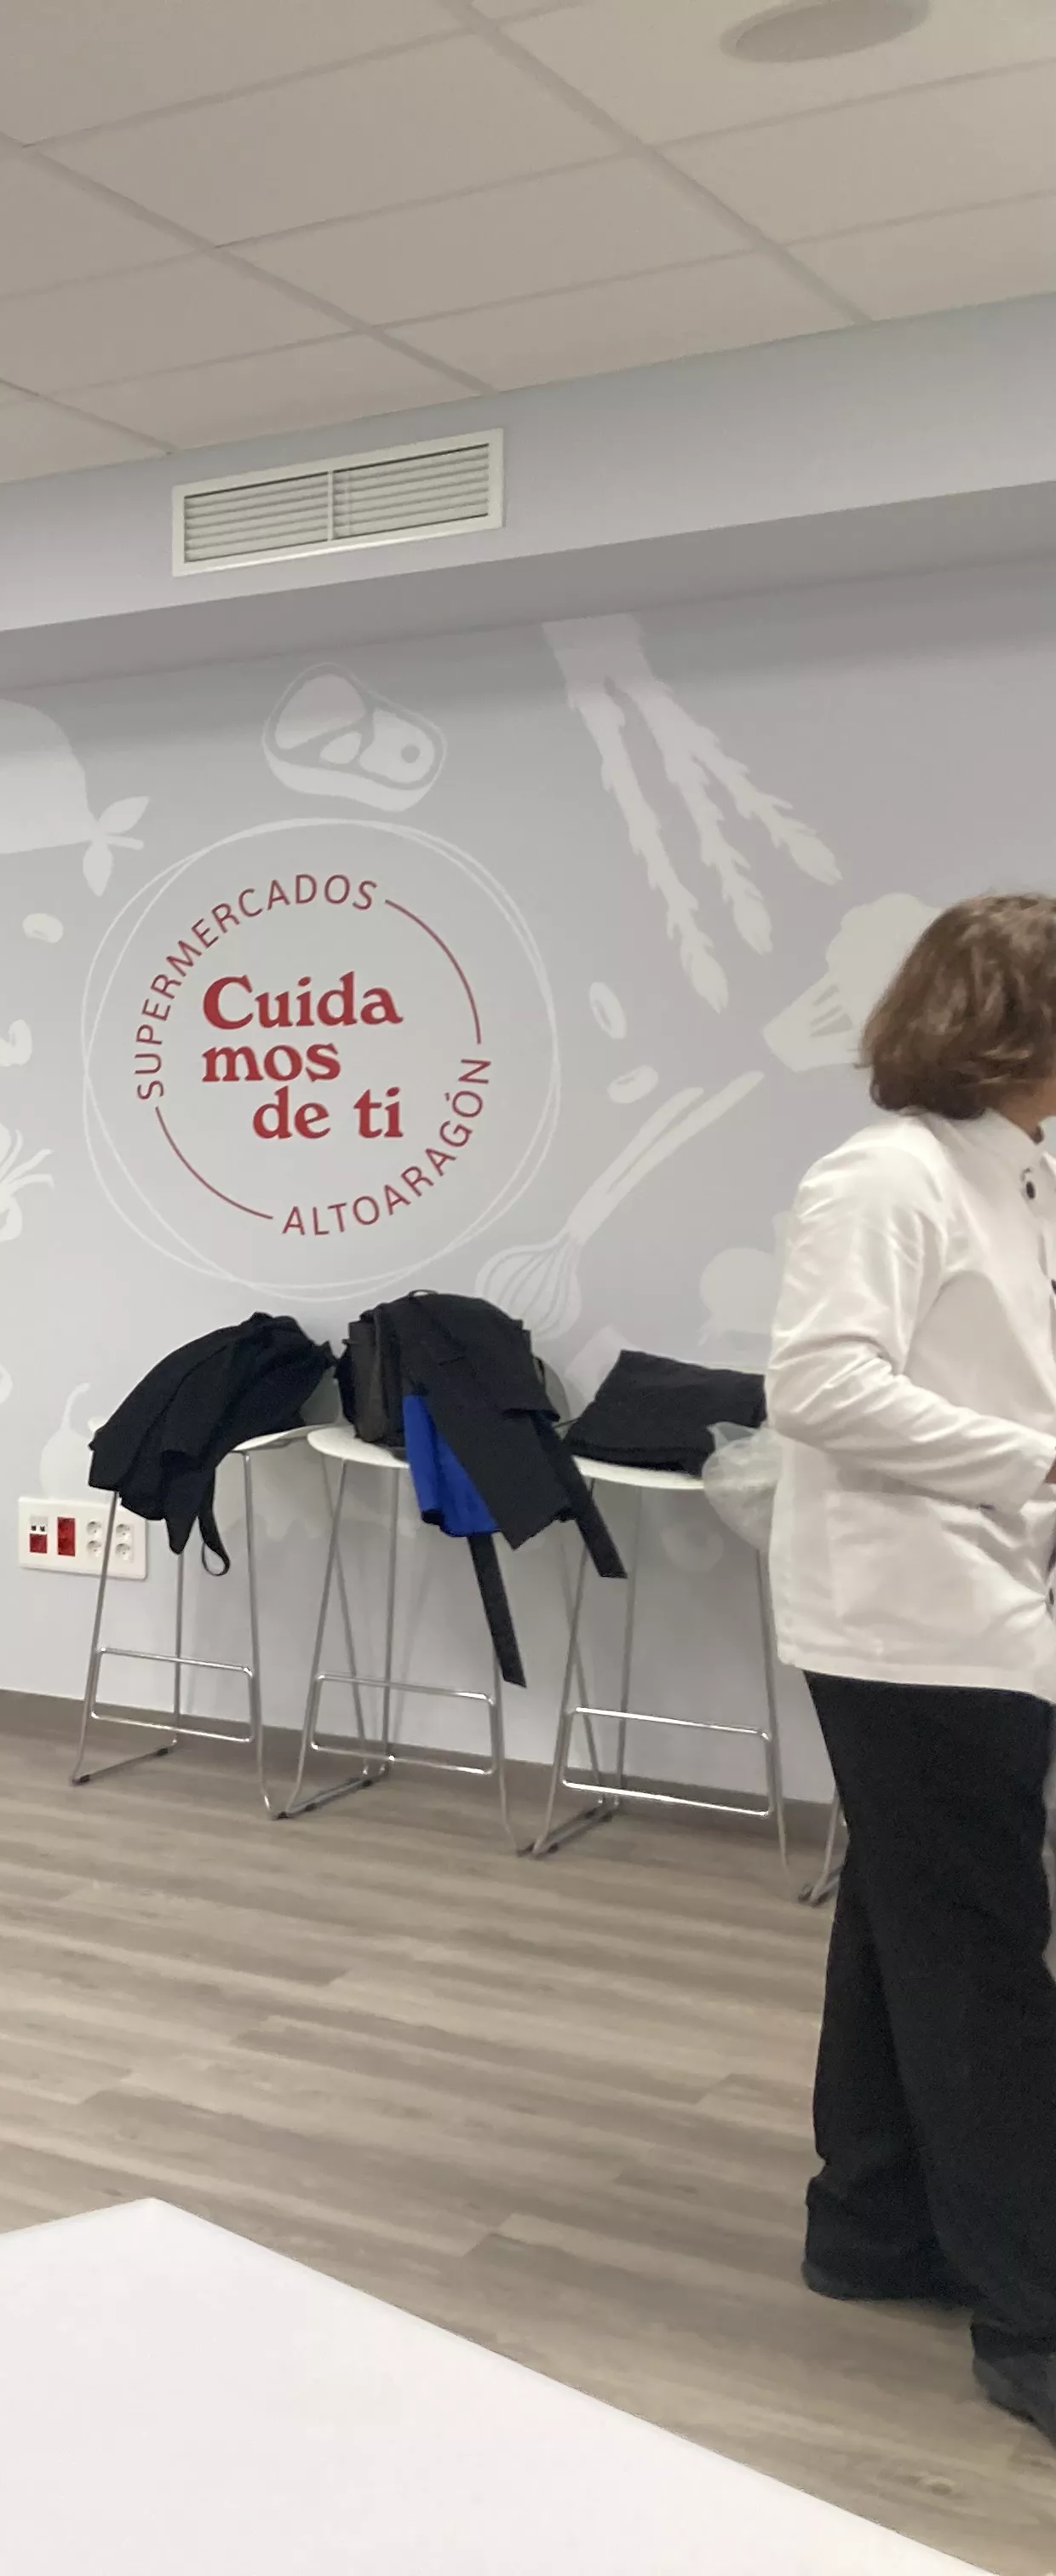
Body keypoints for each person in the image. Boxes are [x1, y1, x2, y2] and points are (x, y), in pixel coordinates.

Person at [765, 888, 1056, 2447]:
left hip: (977, 1600)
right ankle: (1034, 2315)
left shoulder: (1011, 1172)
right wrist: (1038, 1464)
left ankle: (870, 2224)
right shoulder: (884, 1178)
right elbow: (818, 1385)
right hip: (910, 1622)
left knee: (908, 1918)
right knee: (982, 1956)